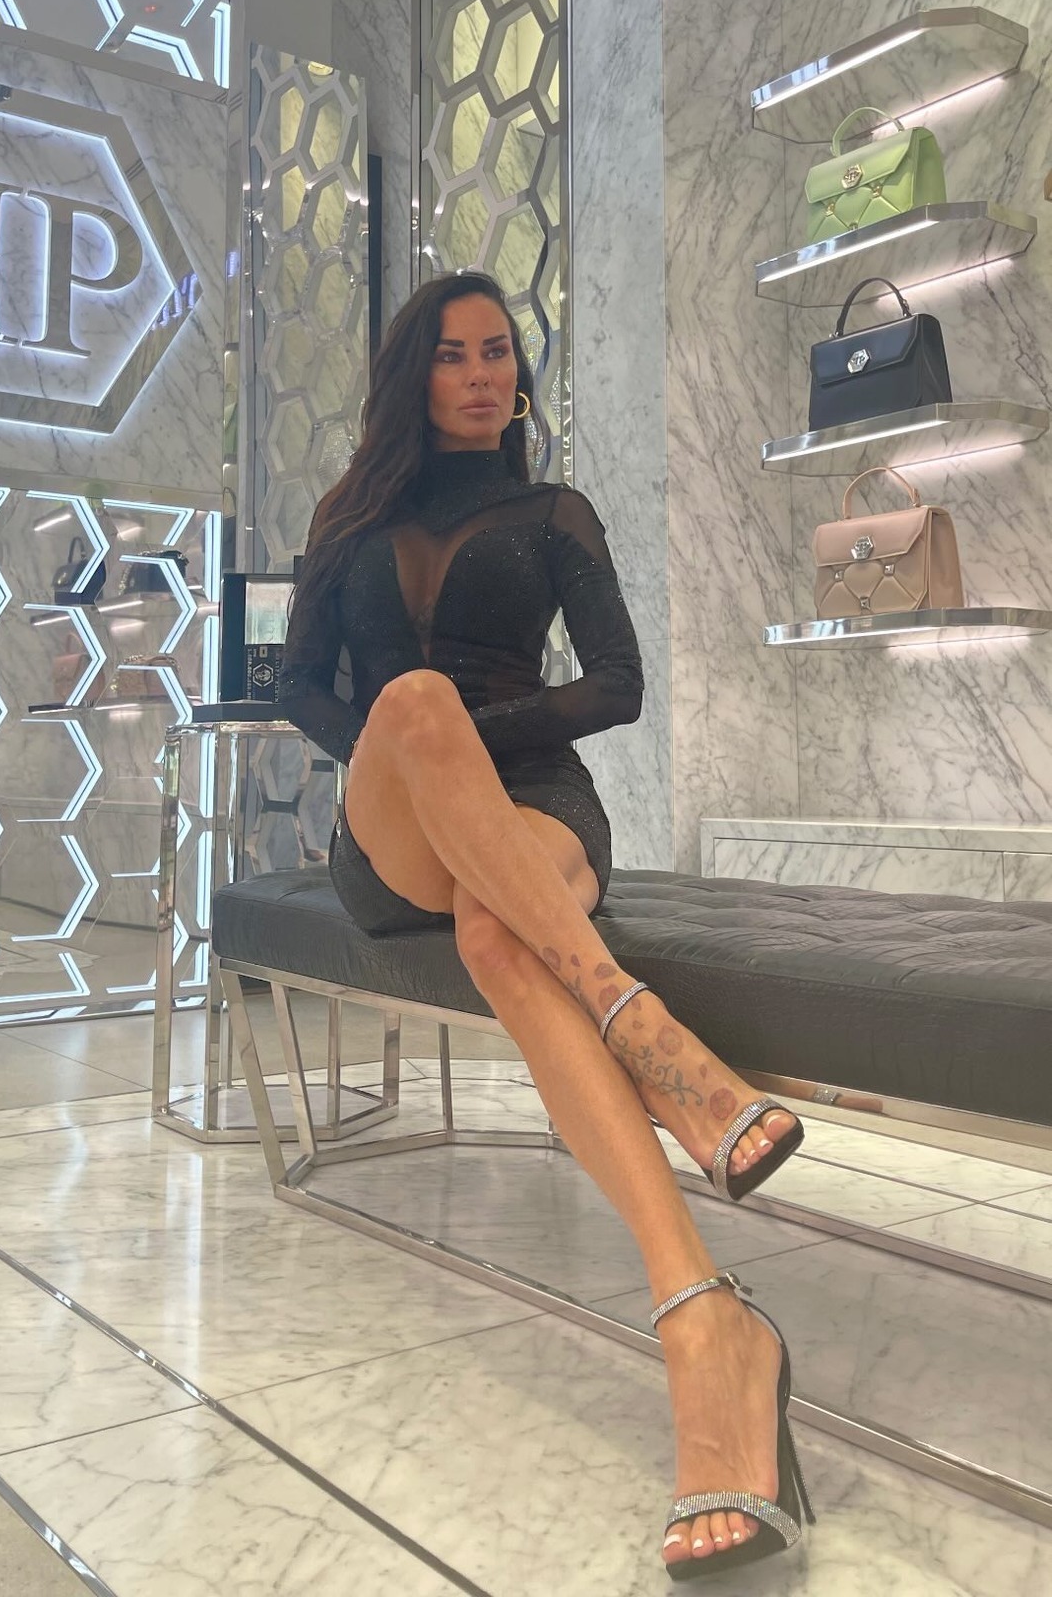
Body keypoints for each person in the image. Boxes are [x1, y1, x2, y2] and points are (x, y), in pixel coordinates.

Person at [277, 270, 814, 1581]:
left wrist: (472, 741)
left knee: (497, 936)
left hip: (540, 809)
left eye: (497, 352)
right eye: (452, 353)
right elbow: (298, 684)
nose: (479, 373)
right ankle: (650, 1035)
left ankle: (706, 1323)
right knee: (413, 705)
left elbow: (618, 685)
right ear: (413, 375)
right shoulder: (350, 519)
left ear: (519, 375)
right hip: (393, 832)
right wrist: (414, 753)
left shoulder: (554, 511)